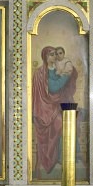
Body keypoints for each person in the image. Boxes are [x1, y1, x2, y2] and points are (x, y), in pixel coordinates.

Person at [32, 46, 77, 177]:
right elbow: (53, 87)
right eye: (51, 54)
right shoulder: (40, 73)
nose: (54, 57)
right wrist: (65, 76)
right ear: (45, 57)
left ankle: (62, 158)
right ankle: (49, 159)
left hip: (55, 106)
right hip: (43, 109)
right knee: (59, 124)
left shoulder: (57, 69)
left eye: (55, 54)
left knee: (65, 124)